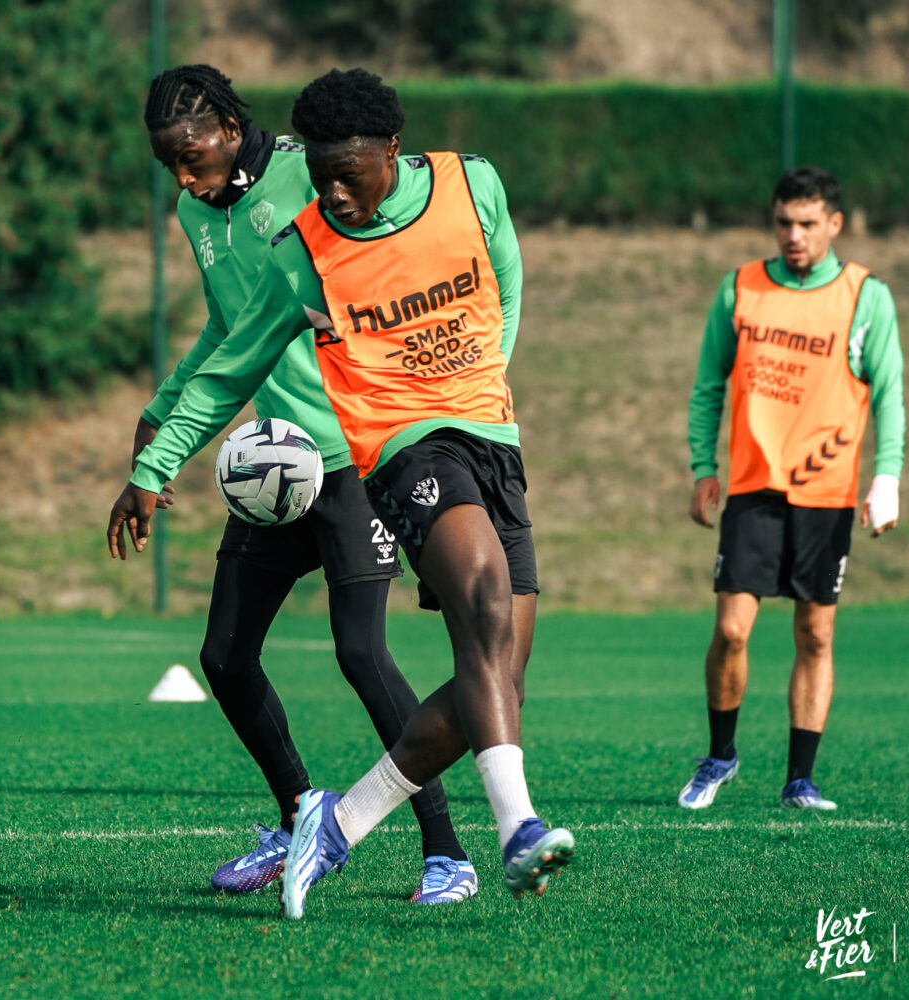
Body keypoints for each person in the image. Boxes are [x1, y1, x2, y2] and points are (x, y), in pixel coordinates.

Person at [108, 68, 573, 919]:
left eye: (190, 156)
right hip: (347, 453)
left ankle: (357, 827)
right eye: (167, 163)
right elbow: (233, 341)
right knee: (238, 653)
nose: (330, 194)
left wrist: (477, 384)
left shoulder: (446, 184)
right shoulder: (280, 234)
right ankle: (485, 829)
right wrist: (158, 441)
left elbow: (499, 287)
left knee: (462, 664)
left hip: (427, 444)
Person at [680, 166, 905, 812]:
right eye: (784, 222)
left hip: (828, 494)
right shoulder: (741, 288)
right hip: (754, 489)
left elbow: (890, 396)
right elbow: (706, 387)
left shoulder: (866, 297)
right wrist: (703, 467)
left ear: (835, 224)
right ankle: (720, 757)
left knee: (816, 636)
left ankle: (799, 779)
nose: (793, 236)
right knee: (731, 630)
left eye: (807, 224)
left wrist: (885, 477)